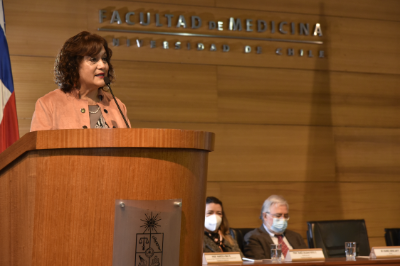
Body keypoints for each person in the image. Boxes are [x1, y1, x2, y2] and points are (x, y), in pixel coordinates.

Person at [30, 31, 131, 131]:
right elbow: (39, 145)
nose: (102, 65)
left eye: (104, 59)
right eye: (93, 59)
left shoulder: (118, 105)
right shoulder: (48, 104)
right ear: (74, 65)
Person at [243, 195, 307, 259]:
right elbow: (259, 263)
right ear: (265, 216)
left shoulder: (296, 236)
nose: (283, 219)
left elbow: (308, 259)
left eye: (286, 216)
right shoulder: (253, 238)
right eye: (278, 215)